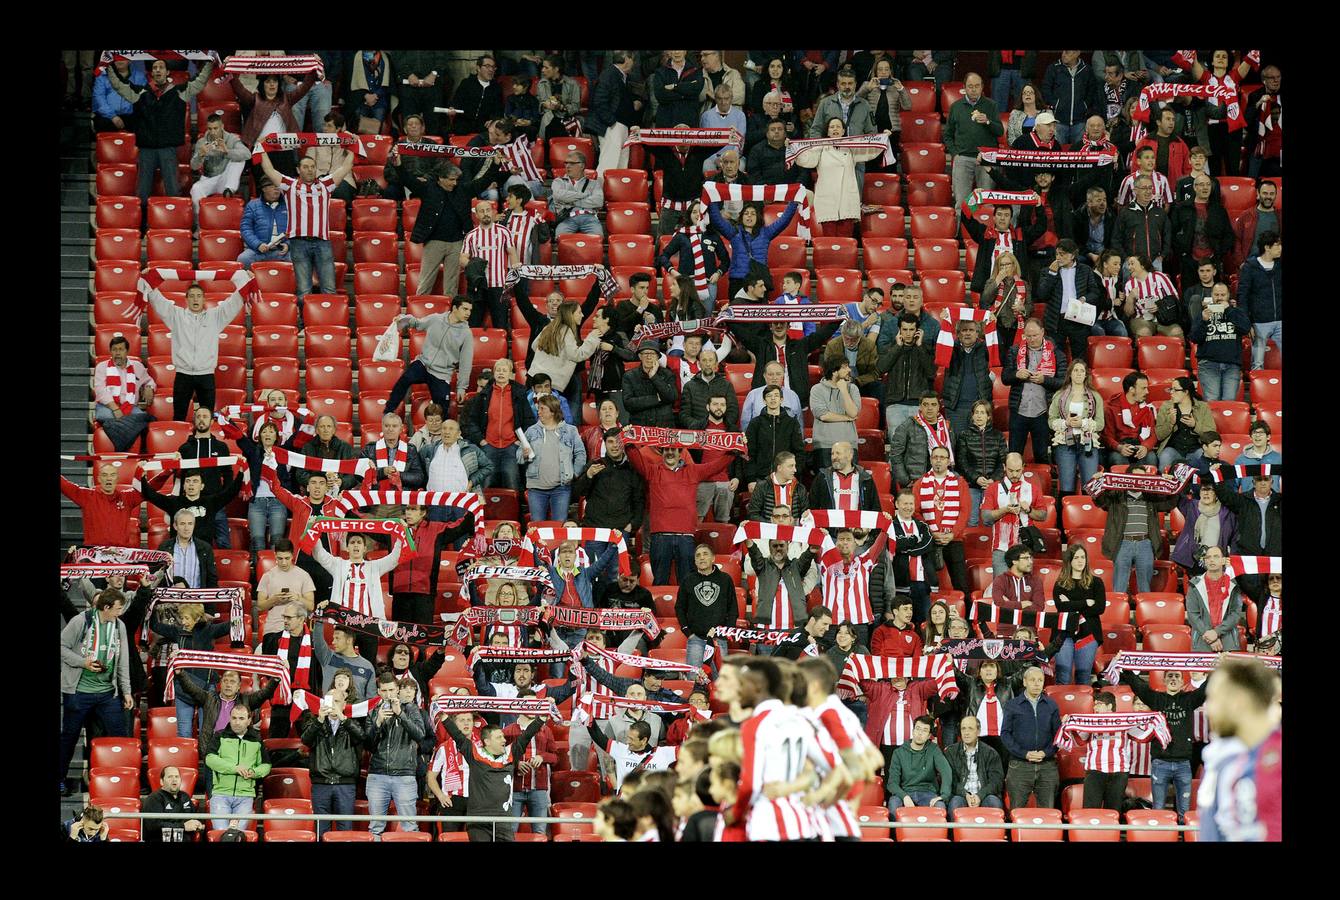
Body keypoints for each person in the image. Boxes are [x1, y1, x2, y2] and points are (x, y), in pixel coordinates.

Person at [106, 57, 215, 222]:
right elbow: (118, 84)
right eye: (155, 67)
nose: (157, 69)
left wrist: (209, 62)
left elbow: (199, 81)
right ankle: (141, 227)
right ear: (151, 73)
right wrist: (107, 66)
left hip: (168, 149)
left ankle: (175, 225)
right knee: (142, 192)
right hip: (146, 150)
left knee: (173, 189)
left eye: (161, 67)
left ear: (167, 72)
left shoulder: (180, 91)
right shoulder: (140, 92)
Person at [255, 147, 355, 305]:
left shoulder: (326, 184)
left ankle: (327, 323)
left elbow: (345, 167)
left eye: (312, 167)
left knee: (329, 288)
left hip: (322, 242)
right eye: (306, 167)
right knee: (303, 289)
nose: (310, 170)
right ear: (298, 169)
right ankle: (304, 323)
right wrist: (262, 149)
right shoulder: (289, 185)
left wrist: (352, 148)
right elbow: (268, 169)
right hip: (299, 243)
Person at [1199, 656, 1282, 841]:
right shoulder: (1220, 760)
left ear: (1238, 701)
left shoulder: (1276, 762)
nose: (1207, 709)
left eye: (1212, 699)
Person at [59, 589, 133, 794]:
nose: (121, 612)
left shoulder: (119, 626)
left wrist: (126, 691)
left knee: (119, 737)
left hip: (108, 693)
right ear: (106, 607)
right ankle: (60, 778)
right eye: (118, 608)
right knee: (69, 737)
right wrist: (83, 663)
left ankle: (121, 780)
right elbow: (62, 647)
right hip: (78, 691)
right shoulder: (80, 621)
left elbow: (123, 662)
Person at [1118, 667, 1207, 822]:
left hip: (1183, 764)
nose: (1173, 679)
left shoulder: (1189, 699)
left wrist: (1219, 667)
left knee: (1184, 811)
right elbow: (1139, 687)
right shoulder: (1156, 699)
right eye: (1170, 676)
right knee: (1158, 809)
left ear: (1182, 681)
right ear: (1164, 680)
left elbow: (1207, 689)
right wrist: (1125, 668)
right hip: (1160, 763)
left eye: (1177, 676)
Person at [149, 281, 245, 422]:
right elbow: (159, 301)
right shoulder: (176, 315)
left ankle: (205, 444)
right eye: (192, 296)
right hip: (183, 375)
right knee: (179, 417)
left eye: (199, 296)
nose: (195, 299)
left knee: (207, 419)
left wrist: (246, 283)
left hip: (206, 375)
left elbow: (233, 303)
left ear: (204, 299)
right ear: (186, 299)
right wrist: (149, 281)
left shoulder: (215, 317)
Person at [444, 711, 546, 842]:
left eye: (503, 737)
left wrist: (542, 717)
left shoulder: (511, 753)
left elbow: (527, 735)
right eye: (499, 737)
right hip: (478, 820)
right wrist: (443, 716)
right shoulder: (474, 753)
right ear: (487, 741)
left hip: (503, 819)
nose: (504, 740)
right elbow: (457, 735)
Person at [1093, 462, 1180, 596]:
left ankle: (1144, 613)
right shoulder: (1116, 496)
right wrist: (1097, 482)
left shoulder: (1151, 496)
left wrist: (1172, 484)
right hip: (1122, 543)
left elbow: (1170, 503)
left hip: (1145, 543)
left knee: (1145, 588)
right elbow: (1099, 501)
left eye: (1143, 478)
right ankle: (1118, 614)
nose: (1139, 481)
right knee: (1119, 588)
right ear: (1128, 478)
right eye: (1136, 478)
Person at [313, 533, 402, 662]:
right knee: (343, 665)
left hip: (369, 625)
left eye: (359, 542)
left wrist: (401, 535)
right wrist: (314, 531)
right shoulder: (338, 565)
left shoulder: (374, 567)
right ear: (347, 548)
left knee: (369, 664)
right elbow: (319, 554)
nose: (356, 545)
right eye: (352, 542)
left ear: (365, 548)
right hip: (344, 624)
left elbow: (394, 558)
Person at [793, 116, 884, 238]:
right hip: (827, 199)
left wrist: (884, 138)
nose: (835, 129)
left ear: (843, 131)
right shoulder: (820, 148)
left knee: (845, 239)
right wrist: (791, 148)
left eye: (838, 126)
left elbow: (870, 151)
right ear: (828, 132)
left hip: (847, 199)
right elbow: (806, 160)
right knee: (829, 239)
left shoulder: (851, 147)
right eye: (832, 127)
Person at [733, 314, 842, 410]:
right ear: (771, 327)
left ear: (788, 326)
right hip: (765, 401)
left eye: (782, 323)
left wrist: (839, 318)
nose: (779, 326)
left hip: (794, 401)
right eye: (776, 323)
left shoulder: (800, 346)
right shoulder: (761, 346)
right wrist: (727, 317)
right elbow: (742, 334)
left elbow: (821, 335)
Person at [1070, 691, 1156, 811]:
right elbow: (1079, 740)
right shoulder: (1091, 721)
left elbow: (1143, 735)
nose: (1095, 708)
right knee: (1090, 810)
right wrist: (1069, 725)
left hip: (1118, 771)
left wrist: (1155, 721)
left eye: (1099, 704)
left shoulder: (1124, 721)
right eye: (1094, 705)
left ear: (1109, 706)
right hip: (1095, 770)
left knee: (1113, 811)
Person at [386, 297, 474, 413]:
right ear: (454, 308)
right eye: (465, 309)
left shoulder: (466, 334)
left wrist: (462, 387)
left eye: (470, 310)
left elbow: (466, 362)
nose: (468, 313)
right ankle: (388, 412)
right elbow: (417, 323)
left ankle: (442, 430)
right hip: (423, 363)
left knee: (443, 408)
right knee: (405, 379)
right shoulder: (436, 319)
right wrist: (403, 319)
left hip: (442, 373)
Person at [462, 358, 537, 491]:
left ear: (511, 374)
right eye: (498, 370)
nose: (501, 373)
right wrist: (481, 440)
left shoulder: (520, 395)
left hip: (511, 446)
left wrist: (519, 441)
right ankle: (484, 512)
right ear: (494, 373)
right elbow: (472, 421)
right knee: (486, 484)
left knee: (512, 482)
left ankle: (514, 511)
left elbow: (529, 421)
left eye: (504, 370)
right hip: (489, 445)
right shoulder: (484, 394)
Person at [1000, 666, 1062, 808]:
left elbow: (1059, 736)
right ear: (1024, 682)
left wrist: (1046, 752)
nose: (1036, 683)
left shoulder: (1051, 705)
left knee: (1047, 813)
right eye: (1032, 680)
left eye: (1040, 680)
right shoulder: (1012, 705)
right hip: (1019, 765)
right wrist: (1024, 754)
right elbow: (1005, 734)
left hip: (1047, 765)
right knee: (1017, 811)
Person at [141, 465, 244, 550]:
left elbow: (231, 492)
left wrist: (241, 473)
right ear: (184, 486)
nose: (191, 484)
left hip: (203, 552)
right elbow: (150, 495)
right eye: (188, 481)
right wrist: (142, 477)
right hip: (179, 551)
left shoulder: (210, 502)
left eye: (195, 481)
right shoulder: (173, 502)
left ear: (202, 486)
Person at [709, 201, 797, 299]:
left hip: (759, 282)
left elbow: (783, 221)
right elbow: (717, 220)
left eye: (753, 214)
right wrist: (712, 199)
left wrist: (793, 203)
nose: (749, 216)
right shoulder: (734, 232)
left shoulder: (766, 233)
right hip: (738, 281)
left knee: (760, 314)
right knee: (737, 313)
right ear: (741, 217)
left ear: (758, 217)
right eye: (746, 213)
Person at [202, 704, 271, 830]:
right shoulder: (219, 735)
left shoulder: (256, 740)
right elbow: (209, 758)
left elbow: (266, 766)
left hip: (245, 796)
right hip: (220, 794)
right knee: (220, 834)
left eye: (241, 718)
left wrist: (253, 772)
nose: (237, 722)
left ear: (249, 720)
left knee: (238, 835)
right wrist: (235, 768)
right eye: (234, 718)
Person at [518, 395, 586, 522]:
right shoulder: (531, 431)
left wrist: (574, 474)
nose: (539, 411)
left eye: (542, 409)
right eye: (538, 409)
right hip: (536, 488)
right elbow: (519, 455)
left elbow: (580, 453)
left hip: (561, 488)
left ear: (553, 410)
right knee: (537, 529)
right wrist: (524, 454)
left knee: (559, 527)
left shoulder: (570, 431)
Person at [1038, 239, 1105, 365]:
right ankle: (1059, 384)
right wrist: (1052, 274)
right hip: (1056, 321)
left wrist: (1084, 299)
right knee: (1057, 358)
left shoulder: (1085, 270)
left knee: (1079, 358)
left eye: (1062, 254)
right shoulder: (1047, 271)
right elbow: (1042, 295)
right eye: (1057, 254)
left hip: (1078, 319)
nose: (1058, 257)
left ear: (1072, 255)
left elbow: (1095, 292)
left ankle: (1078, 382)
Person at [916, 446, 971, 595]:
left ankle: (967, 618)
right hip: (929, 541)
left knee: (961, 583)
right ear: (930, 460)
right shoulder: (920, 483)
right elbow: (916, 512)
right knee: (928, 583)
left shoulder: (960, 483)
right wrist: (931, 533)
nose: (938, 460)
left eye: (942, 457)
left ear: (948, 461)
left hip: (954, 540)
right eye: (935, 457)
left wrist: (953, 534)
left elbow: (965, 511)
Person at [945, 73, 1004, 209]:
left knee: (987, 203)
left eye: (977, 86)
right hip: (963, 158)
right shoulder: (956, 107)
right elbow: (947, 135)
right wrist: (955, 154)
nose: (973, 89)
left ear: (982, 87)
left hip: (986, 160)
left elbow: (1000, 131)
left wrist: (988, 122)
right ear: (964, 88)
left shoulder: (991, 105)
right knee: (961, 204)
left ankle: (986, 231)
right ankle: (961, 231)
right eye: (970, 86)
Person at [675, 544, 738, 671]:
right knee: (694, 680)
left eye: (705, 554)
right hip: (696, 639)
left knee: (720, 680)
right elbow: (680, 607)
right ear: (695, 561)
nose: (701, 558)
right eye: (698, 555)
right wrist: (688, 632)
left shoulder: (725, 579)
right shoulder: (688, 580)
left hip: (719, 639)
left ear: (713, 558)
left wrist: (725, 632)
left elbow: (733, 609)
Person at [1051, 544, 1107, 685]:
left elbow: (1099, 608)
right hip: (1063, 633)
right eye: (1076, 558)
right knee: (1063, 674)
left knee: (1083, 675)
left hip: (1088, 633)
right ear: (1069, 561)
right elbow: (1061, 607)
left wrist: (1072, 604)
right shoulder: (1060, 584)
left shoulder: (1096, 582)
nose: (1080, 561)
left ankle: (1081, 707)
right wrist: (1086, 602)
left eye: (1083, 557)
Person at [1048, 361, 1105, 496]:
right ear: (1070, 374)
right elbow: (1051, 421)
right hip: (1065, 444)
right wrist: (1066, 423)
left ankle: (1089, 515)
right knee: (1066, 486)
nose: (1079, 373)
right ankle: (1064, 516)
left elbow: (1100, 424)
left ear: (1086, 375)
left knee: (1090, 486)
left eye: (1082, 371)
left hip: (1088, 444)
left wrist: (1083, 423)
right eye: (1075, 370)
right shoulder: (1059, 395)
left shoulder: (1095, 396)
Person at [1190, 282, 1253, 402]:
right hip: (1208, 364)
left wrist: (1228, 310)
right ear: (1211, 295)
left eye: (1223, 295)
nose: (1219, 297)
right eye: (1216, 294)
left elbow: (1245, 328)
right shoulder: (1203, 314)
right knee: (1212, 401)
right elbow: (1194, 338)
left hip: (1231, 365)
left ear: (1228, 295)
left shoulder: (1236, 312)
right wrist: (1204, 321)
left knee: (1229, 402)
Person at [92, 334, 155, 452]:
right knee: (104, 416)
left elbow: (149, 380)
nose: (117, 353)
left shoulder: (137, 366)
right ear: (110, 351)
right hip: (107, 408)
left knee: (148, 419)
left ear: (127, 351)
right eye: (114, 350)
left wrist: (149, 387)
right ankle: (125, 443)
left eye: (121, 349)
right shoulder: (102, 367)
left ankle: (118, 431)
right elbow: (100, 391)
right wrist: (116, 409)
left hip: (130, 407)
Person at [1170, 476, 1237, 581]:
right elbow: (1176, 496)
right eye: (1203, 490)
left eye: (1210, 490)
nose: (1206, 493)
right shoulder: (1192, 506)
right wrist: (1171, 481)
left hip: (1218, 560)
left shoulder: (1226, 511)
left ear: (1216, 494)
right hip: (1196, 560)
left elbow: (1234, 537)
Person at [1170, 174, 1233, 281]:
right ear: (1195, 187)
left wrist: (1219, 253)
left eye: (1208, 184)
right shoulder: (1182, 209)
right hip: (1189, 263)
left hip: (1212, 261)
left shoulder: (1219, 210)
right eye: (1201, 184)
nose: (1205, 187)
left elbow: (1228, 234)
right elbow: (1172, 233)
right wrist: (1182, 253)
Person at [956, 400, 1008, 527]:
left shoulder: (998, 435)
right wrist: (976, 478)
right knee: (971, 521)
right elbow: (961, 462)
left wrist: (993, 480)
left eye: (983, 413)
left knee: (989, 521)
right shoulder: (964, 435)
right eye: (976, 412)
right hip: (972, 485)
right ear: (972, 415)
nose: (979, 416)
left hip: (992, 485)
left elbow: (1003, 462)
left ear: (988, 416)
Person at [886, 715, 953, 813]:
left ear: (929, 735)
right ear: (913, 730)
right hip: (905, 792)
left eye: (925, 730)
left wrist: (943, 796)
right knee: (893, 804)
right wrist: (904, 796)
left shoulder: (934, 750)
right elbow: (892, 783)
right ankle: (894, 829)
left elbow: (946, 772)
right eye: (918, 729)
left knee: (940, 806)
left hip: (928, 793)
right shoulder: (899, 752)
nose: (920, 733)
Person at [1185, 545, 1244, 653]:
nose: (1211, 560)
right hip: (1202, 642)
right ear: (1205, 562)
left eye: (1216, 556)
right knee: (1200, 670)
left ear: (1223, 561)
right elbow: (1193, 615)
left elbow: (1235, 614)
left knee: (1227, 670)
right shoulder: (1194, 584)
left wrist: (1216, 632)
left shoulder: (1233, 584)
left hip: (1228, 642)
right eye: (1208, 557)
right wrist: (1211, 638)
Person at [889, 392, 954, 490]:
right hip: (916, 482)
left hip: (942, 481)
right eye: (925, 404)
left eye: (933, 404)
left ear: (939, 407)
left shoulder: (947, 428)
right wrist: (905, 480)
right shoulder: (906, 426)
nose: (929, 408)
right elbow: (895, 455)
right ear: (920, 407)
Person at [590, 51, 641, 174]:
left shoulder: (621, 75)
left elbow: (618, 99)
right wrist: (611, 123)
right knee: (609, 163)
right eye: (632, 60)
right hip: (612, 126)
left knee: (620, 164)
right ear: (627, 59)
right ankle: (600, 192)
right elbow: (599, 101)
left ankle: (617, 192)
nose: (633, 64)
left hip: (621, 125)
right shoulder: (609, 75)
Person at [188, 111, 248, 214]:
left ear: (222, 127)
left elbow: (247, 154)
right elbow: (193, 167)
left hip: (226, 179)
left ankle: (229, 190)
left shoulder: (231, 138)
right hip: (209, 178)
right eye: (210, 129)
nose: (213, 132)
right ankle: (199, 224)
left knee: (238, 159)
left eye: (216, 128)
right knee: (195, 189)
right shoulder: (202, 142)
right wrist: (200, 155)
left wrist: (227, 151)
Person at [809, 356, 862, 471]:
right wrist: (846, 418)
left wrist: (843, 390)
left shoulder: (852, 389)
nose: (849, 370)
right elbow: (823, 415)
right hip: (824, 445)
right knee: (825, 484)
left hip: (849, 444)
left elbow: (853, 413)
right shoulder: (817, 389)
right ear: (834, 371)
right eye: (844, 367)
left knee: (849, 484)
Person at [945, 715, 1006, 814]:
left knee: (994, 803)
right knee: (955, 803)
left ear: (978, 731)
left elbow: (997, 781)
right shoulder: (951, 752)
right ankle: (955, 830)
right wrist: (966, 794)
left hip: (985, 795)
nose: (966, 733)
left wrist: (979, 795)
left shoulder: (990, 753)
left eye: (970, 728)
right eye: (963, 729)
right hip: (961, 795)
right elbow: (950, 781)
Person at [1238, 232, 1282, 371]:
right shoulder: (1250, 267)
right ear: (1267, 247)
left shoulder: (1280, 265)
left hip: (1281, 320)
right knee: (1257, 364)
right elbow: (1242, 296)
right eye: (1277, 245)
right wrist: (1247, 322)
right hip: (1259, 322)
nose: (1280, 248)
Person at [1154, 376, 1214, 472]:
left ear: (1186, 392)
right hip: (1174, 449)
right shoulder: (1166, 407)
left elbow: (1211, 433)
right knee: (1165, 457)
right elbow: (1159, 435)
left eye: (1175, 390)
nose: (1171, 392)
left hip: (1196, 448)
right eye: (1171, 389)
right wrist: (1170, 423)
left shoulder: (1203, 407)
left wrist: (1195, 425)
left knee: (1204, 461)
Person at [1114, 176, 1173, 270]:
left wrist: (1162, 255)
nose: (1148, 191)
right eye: (1144, 188)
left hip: (1155, 263)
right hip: (1132, 263)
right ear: (1135, 190)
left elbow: (1167, 235)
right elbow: (1116, 239)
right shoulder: (1125, 212)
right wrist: (1125, 257)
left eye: (1150, 188)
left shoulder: (1159, 212)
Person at [809, 440, 883, 514]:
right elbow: (812, 507)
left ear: (850, 455)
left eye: (838, 453)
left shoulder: (865, 478)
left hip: (857, 525)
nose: (834, 457)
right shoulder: (822, 477)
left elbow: (875, 509)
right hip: (831, 525)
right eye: (832, 454)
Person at [978, 250, 1029, 354]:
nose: (1004, 267)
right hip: (997, 325)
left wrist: (1023, 309)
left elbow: (1030, 305)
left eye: (1007, 264)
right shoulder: (992, 282)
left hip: (1017, 325)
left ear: (1014, 266)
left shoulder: (1023, 284)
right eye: (1001, 265)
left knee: (1013, 356)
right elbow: (984, 299)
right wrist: (997, 280)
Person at [1103, 371, 1156, 467]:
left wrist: (1145, 447)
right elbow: (1106, 437)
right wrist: (1119, 447)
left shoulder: (1147, 409)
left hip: (1139, 445)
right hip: (1119, 448)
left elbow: (1153, 434)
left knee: (1151, 457)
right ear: (1131, 389)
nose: (1147, 392)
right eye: (1143, 388)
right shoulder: (1112, 407)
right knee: (1118, 458)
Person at [157, 509, 219, 589]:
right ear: (175, 526)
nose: (186, 528)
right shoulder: (164, 547)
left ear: (194, 525)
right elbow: (158, 577)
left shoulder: (205, 548)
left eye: (190, 524)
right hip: (171, 599)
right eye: (182, 524)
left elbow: (212, 579)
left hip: (197, 599)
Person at [141, 766, 206, 842]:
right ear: (162, 781)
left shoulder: (185, 797)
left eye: (177, 777)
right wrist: (183, 826)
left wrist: (198, 824)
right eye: (170, 777)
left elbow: (194, 817)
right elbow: (153, 826)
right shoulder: (154, 798)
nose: (174, 779)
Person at [623, 340, 678, 428]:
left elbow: (671, 397)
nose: (649, 357)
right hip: (640, 428)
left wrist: (654, 377)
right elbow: (628, 404)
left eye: (652, 354)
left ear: (657, 357)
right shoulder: (629, 376)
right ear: (640, 356)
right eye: (645, 353)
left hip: (664, 427)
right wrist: (657, 399)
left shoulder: (668, 374)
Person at [551, 152, 605, 237]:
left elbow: (598, 201)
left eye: (572, 163)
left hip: (589, 217)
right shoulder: (559, 181)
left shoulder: (594, 183)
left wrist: (571, 202)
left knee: (598, 238)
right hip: (567, 218)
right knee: (560, 237)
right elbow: (558, 195)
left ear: (582, 166)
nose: (567, 166)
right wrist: (585, 195)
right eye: (566, 163)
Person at [1231, 181, 1280, 268]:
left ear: (1276, 195)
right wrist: (1241, 263)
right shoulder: (1246, 215)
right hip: (1251, 266)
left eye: (1271, 193)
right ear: (1258, 193)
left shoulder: (1280, 216)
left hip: (1274, 267)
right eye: (1265, 193)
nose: (1268, 197)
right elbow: (1236, 240)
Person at [740, 361, 803, 429]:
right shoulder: (753, 395)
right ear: (764, 376)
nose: (774, 377)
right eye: (770, 374)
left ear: (783, 375)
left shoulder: (793, 396)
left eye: (778, 374)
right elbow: (745, 422)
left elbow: (799, 423)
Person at [700, 89, 748, 174]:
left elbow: (740, 141)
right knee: (707, 167)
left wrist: (731, 158)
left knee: (740, 167)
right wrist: (715, 159)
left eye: (726, 98)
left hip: (735, 156)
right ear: (715, 98)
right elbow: (705, 142)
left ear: (731, 99)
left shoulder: (740, 115)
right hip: (713, 156)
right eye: (719, 98)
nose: (723, 102)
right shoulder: (706, 115)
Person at [92, 57, 145, 132]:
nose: (120, 60)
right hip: (107, 116)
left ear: (130, 60)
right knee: (103, 123)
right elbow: (98, 98)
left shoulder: (140, 76)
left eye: (123, 57)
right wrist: (113, 116)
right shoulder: (103, 75)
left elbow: (143, 98)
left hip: (131, 116)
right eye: (116, 57)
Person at [1233, 420, 1282, 494]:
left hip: (1272, 503)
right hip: (1248, 503)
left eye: (1261, 433)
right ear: (1250, 437)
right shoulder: (1241, 460)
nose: (1257, 436)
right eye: (1254, 433)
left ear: (1268, 437)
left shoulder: (1278, 458)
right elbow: (1234, 485)